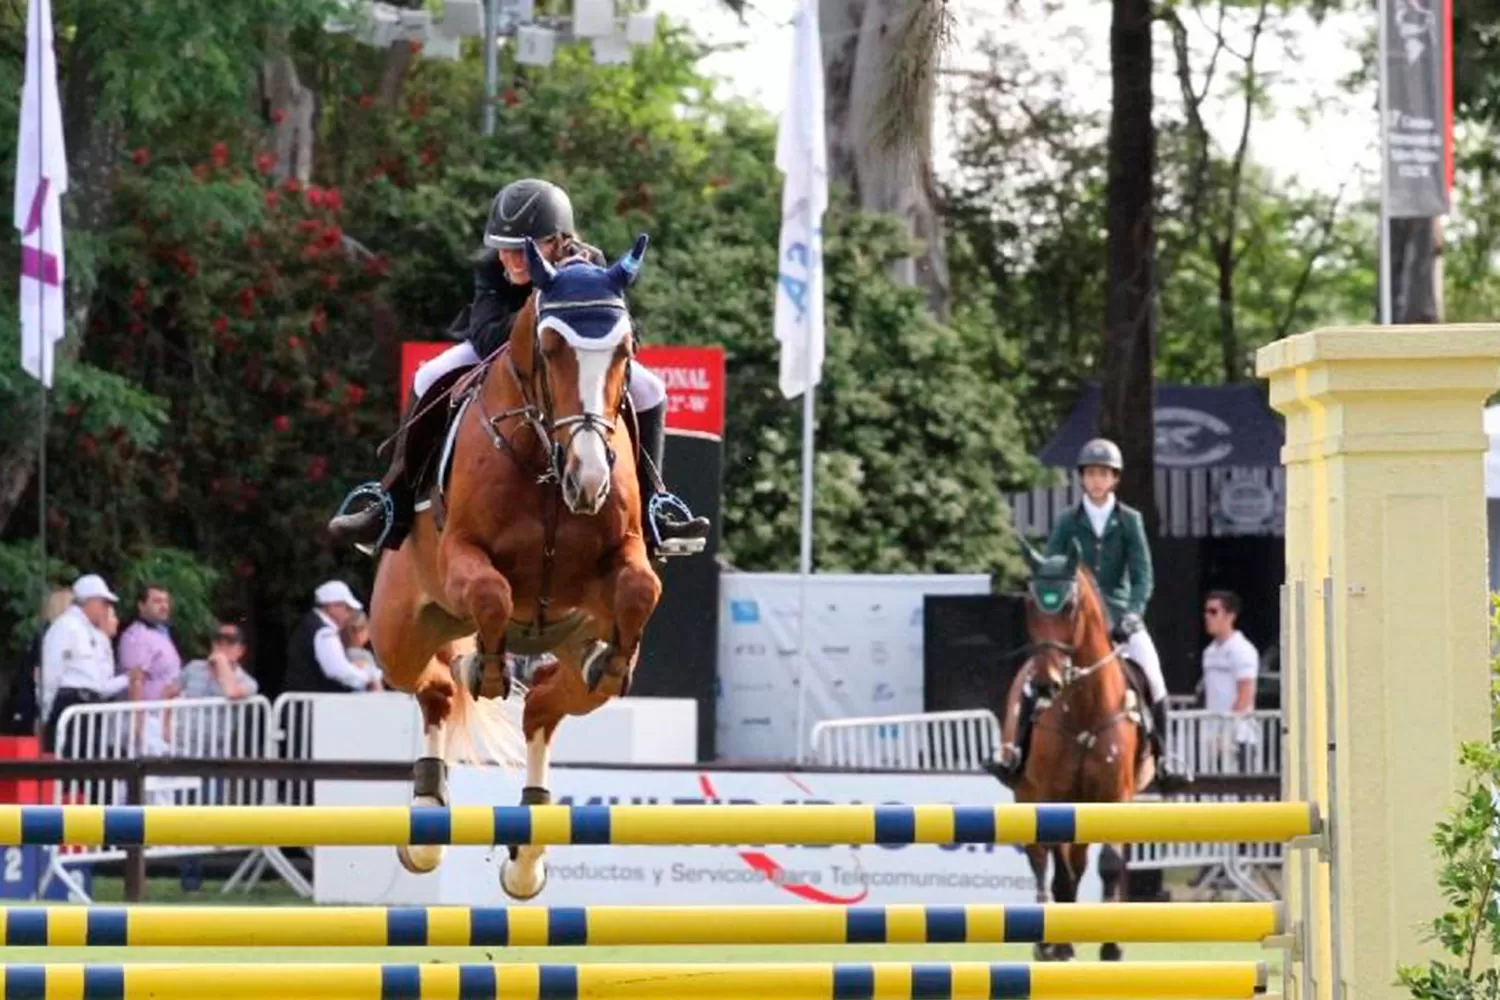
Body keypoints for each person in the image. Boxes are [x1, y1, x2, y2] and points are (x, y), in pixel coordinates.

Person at [327, 177, 709, 562]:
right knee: (428, 375)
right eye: (504, 250)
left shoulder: (589, 264)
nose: (510, 260)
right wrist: (539, 323)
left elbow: (623, 328)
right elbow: (487, 333)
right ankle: (392, 502)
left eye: (522, 250)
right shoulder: (491, 269)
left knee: (651, 389)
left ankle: (655, 509)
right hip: (497, 352)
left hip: (570, 362)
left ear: (559, 241)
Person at [998, 438, 1186, 789]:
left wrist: (1133, 612)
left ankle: (1164, 758)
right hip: (1073, 620)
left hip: (1119, 614)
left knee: (1154, 677)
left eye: (1104, 474)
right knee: (1031, 679)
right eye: (1091, 474)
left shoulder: (1130, 521)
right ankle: (1014, 754)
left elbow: (1143, 575)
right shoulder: (1068, 521)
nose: (1097, 481)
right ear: (1082, 479)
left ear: (1114, 479)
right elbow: (1051, 567)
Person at [38, 574, 131, 753]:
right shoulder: (65, 626)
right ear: (91, 601)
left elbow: (98, 680)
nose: (105, 610)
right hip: (70, 703)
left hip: (90, 706)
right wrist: (46, 711)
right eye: (104, 604)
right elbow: (51, 671)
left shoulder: (90, 632)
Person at [282, 581, 383, 694]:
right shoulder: (325, 633)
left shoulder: (310, 624)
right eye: (347, 608)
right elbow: (337, 670)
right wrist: (367, 680)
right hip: (315, 707)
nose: (349, 614)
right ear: (332, 606)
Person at [1199, 589, 1260, 770]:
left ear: (1230, 616)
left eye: (1213, 612)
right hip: (1213, 740)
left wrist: (1226, 733)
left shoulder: (1243, 650)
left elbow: (1245, 694)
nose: (1207, 617)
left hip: (1239, 738)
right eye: (1206, 611)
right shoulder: (1208, 652)